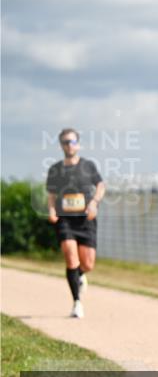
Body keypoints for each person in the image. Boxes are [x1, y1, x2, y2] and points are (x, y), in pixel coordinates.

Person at [46, 128, 105, 318]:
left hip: (86, 220)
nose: (68, 145)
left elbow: (100, 185)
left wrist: (94, 203)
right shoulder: (55, 169)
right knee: (71, 258)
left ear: (78, 144)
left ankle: (80, 274)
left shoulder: (88, 166)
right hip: (65, 220)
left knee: (87, 264)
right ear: (61, 145)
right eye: (65, 142)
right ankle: (77, 303)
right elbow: (51, 194)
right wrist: (52, 210)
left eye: (72, 141)